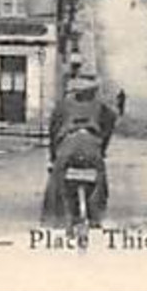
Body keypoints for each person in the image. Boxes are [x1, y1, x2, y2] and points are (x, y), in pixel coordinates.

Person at [41, 74, 118, 227]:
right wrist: (102, 148)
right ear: (93, 91)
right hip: (91, 144)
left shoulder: (62, 106)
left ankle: (56, 220)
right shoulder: (102, 107)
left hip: (67, 144)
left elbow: (53, 131)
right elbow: (110, 125)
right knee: (100, 179)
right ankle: (96, 217)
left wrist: (52, 157)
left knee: (56, 181)